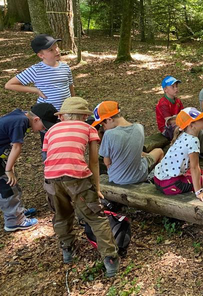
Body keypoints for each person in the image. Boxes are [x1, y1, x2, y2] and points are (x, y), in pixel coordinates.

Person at [42, 97, 120, 276]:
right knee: (95, 217)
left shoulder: (51, 130)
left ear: (62, 116)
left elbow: (48, 157)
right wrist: (96, 187)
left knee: (61, 215)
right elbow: (93, 161)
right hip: (77, 177)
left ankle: (67, 250)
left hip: (51, 178)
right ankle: (110, 260)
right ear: (85, 116)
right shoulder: (89, 128)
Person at [0, 103, 57, 231]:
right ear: (36, 119)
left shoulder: (21, 117)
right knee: (7, 189)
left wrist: (9, 167)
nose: (42, 130)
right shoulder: (20, 122)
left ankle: (18, 212)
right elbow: (16, 147)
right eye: (43, 127)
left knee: (12, 186)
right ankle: (14, 221)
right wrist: (8, 170)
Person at [153, 107, 203, 202]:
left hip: (158, 179)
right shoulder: (193, 141)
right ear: (191, 126)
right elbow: (194, 167)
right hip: (170, 184)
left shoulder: (182, 135)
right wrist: (198, 191)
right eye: (200, 119)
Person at [92, 101, 164, 185]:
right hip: (139, 176)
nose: (104, 128)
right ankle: (158, 180)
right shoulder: (139, 128)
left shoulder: (109, 134)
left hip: (117, 179)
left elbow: (107, 162)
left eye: (103, 125)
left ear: (109, 119)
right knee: (159, 151)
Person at [5, 34, 75, 111]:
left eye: (57, 47)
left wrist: (73, 103)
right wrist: (35, 90)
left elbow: (70, 86)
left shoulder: (65, 67)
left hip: (66, 111)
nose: (57, 51)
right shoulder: (36, 70)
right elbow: (9, 85)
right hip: (46, 114)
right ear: (41, 55)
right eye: (51, 50)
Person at [156, 75, 203, 162]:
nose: (176, 89)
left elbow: (183, 113)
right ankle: (187, 155)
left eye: (176, 86)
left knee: (198, 129)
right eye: (173, 87)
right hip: (167, 129)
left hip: (180, 123)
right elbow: (169, 121)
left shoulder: (178, 101)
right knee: (187, 131)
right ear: (165, 90)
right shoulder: (163, 103)